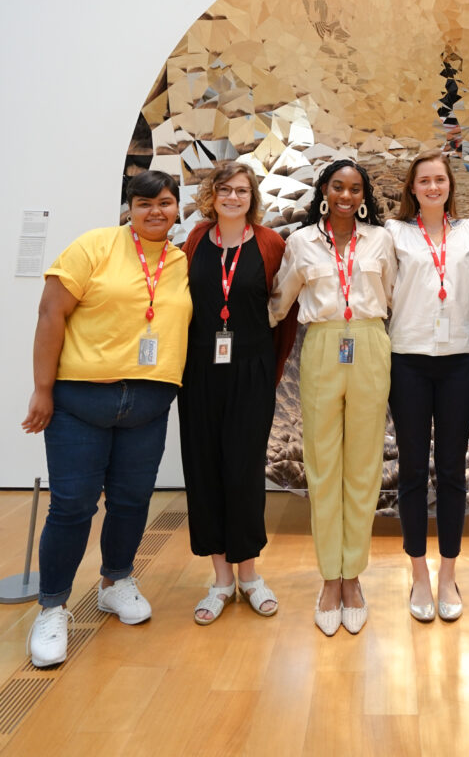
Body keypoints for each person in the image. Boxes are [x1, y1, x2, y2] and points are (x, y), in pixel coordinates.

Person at [22, 170, 192, 667]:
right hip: (80, 402)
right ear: (129, 208)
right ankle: (52, 607)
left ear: (177, 208)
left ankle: (116, 580)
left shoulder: (182, 261)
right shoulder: (93, 246)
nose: (154, 212)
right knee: (72, 506)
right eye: (144, 203)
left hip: (148, 403)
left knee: (131, 501)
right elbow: (51, 313)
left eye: (164, 203)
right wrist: (42, 389)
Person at [269, 160, 395, 635]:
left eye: (355, 188)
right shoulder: (301, 242)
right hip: (322, 344)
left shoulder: (380, 240)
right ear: (324, 190)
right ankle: (329, 577)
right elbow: (280, 303)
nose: (346, 195)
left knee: (364, 464)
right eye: (337, 187)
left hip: (369, 341)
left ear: (364, 195)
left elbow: (394, 296)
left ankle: (353, 577)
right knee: (322, 463)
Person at [178, 162, 297, 625]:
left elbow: (283, 312)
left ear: (253, 197)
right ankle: (221, 580)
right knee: (204, 468)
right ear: (212, 194)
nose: (232, 197)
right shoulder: (195, 241)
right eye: (224, 190)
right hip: (200, 373)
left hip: (251, 372)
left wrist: (271, 368)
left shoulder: (270, 243)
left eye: (241, 190)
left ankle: (249, 575)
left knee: (244, 471)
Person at [386, 151, 469, 622]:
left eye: (439, 179)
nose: (432, 186)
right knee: (410, 470)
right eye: (423, 180)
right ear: (412, 186)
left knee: (450, 470)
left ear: (449, 185)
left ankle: (448, 573)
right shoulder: (394, 233)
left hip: (462, 359)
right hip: (407, 358)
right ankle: (418, 575)